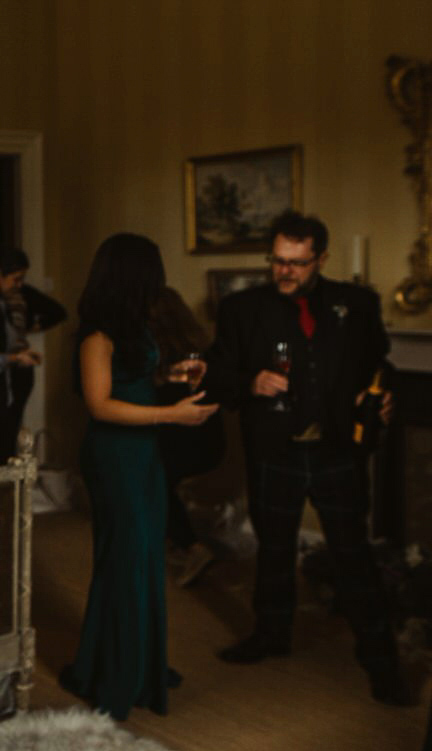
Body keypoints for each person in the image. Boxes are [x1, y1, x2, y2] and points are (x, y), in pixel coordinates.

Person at [204, 210, 411, 705]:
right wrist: (249, 382)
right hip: (275, 450)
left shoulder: (355, 304)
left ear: (320, 258)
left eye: (296, 263)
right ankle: (270, 635)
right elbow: (216, 376)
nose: (285, 272)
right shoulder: (241, 309)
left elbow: (380, 364)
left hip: (339, 450)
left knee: (352, 554)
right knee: (274, 548)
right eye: (277, 261)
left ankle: (380, 660)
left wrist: (384, 395)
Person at [58, 233, 218, 721]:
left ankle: (143, 663)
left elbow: (132, 383)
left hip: (144, 453)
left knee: (146, 557)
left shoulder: (135, 328)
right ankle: (114, 673)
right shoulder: (96, 336)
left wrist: (170, 381)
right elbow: (100, 404)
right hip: (114, 458)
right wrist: (173, 414)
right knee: (123, 562)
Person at [148, 286, 226, 586]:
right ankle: (171, 537)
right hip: (209, 443)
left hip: (190, 444)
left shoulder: (166, 359)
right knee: (153, 470)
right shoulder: (200, 348)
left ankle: (193, 547)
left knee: (151, 475)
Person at [0, 247, 66, 465]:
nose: (19, 285)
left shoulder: (2, 302)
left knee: (7, 445)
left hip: (5, 389)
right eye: (16, 278)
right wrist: (16, 358)